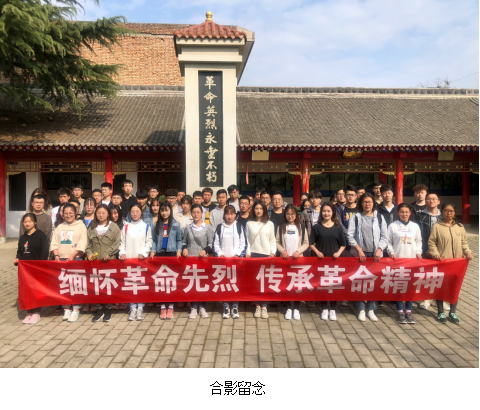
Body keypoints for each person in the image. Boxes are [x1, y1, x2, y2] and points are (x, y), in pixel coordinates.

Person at [428, 203, 474, 325]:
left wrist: (467, 253)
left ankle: (453, 312)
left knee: (455, 288)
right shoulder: (437, 226)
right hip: (443, 263)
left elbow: (464, 243)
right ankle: (440, 312)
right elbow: (431, 242)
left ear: (455, 213)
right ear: (442, 212)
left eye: (451, 211)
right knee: (441, 288)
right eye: (446, 211)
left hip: (457, 263)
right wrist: (435, 253)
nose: (449, 213)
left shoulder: (459, 227)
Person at [347, 193, 388, 322]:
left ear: (373, 203)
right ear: (361, 203)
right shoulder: (356, 218)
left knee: (373, 282)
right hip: (360, 255)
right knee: (359, 282)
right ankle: (360, 309)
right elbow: (350, 236)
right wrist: (359, 250)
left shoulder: (379, 218)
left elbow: (384, 237)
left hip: (375, 255)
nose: (367, 204)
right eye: (365, 202)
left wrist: (379, 249)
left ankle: (371, 309)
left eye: (369, 202)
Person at [50, 203, 88, 323]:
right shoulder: (60, 227)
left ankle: (76, 309)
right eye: (65, 213)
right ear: (62, 214)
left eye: (70, 213)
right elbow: (54, 242)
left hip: (75, 259)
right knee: (64, 285)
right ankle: (66, 308)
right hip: (61, 260)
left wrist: (73, 256)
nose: (68, 215)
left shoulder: (81, 226)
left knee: (76, 285)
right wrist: (56, 255)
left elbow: (83, 242)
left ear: (76, 213)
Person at [310, 202, 347, 322]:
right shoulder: (316, 227)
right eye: (324, 211)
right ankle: (324, 308)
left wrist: (338, 253)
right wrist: (317, 252)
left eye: (329, 211)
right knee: (323, 285)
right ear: (321, 213)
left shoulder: (338, 227)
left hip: (334, 261)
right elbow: (311, 243)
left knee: (333, 286)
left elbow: (343, 244)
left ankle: (333, 309)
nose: (326, 213)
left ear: (333, 213)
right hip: (321, 261)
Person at [387, 204, 423, 325]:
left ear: (410, 213)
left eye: (407, 212)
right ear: (397, 213)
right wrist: (391, 252)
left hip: (412, 260)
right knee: (399, 285)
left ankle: (408, 310)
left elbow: (419, 241)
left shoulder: (415, 226)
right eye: (402, 212)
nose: (404, 214)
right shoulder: (392, 226)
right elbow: (388, 242)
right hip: (398, 260)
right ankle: (400, 310)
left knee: (410, 286)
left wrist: (418, 252)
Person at [85, 205, 121, 323]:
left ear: (108, 214)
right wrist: (89, 253)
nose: (101, 215)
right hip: (95, 262)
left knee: (108, 286)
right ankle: (99, 310)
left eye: (103, 213)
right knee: (96, 286)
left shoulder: (113, 227)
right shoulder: (92, 227)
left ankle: (109, 309)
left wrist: (109, 253)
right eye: (98, 213)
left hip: (109, 261)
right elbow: (88, 244)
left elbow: (117, 243)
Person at [119, 204, 153, 322]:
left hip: (141, 261)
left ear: (141, 212)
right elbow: (122, 243)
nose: (135, 214)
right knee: (131, 285)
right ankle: (132, 307)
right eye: (132, 211)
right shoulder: (126, 227)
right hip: (129, 260)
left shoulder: (146, 227)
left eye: (137, 211)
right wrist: (122, 253)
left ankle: (140, 307)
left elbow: (149, 242)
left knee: (141, 284)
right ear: (129, 213)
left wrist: (144, 253)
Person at [213, 205, 247, 320]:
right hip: (223, 262)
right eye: (227, 214)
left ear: (235, 215)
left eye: (232, 214)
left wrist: (238, 255)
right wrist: (220, 254)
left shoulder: (239, 226)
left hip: (236, 262)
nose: (229, 216)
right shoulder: (219, 227)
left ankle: (235, 306)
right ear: (224, 215)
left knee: (235, 284)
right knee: (224, 284)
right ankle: (226, 307)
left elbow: (243, 243)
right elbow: (215, 243)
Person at [15, 213, 50, 324]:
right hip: (25, 270)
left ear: (35, 222)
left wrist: (40, 266)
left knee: (36, 290)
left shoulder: (41, 236)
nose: (27, 224)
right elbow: (19, 252)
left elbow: (44, 252)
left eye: (30, 221)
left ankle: (36, 312)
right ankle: (29, 312)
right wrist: (17, 259)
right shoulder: (23, 237)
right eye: (25, 222)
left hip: (37, 268)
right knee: (27, 291)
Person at [276, 204, 309, 321]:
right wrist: (282, 251)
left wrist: (298, 251)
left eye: (292, 214)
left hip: (297, 260)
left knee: (297, 284)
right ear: (285, 215)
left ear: (296, 215)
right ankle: (288, 307)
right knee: (286, 284)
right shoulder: (281, 227)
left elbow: (306, 243)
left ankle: (296, 308)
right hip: (285, 260)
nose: (290, 216)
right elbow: (276, 242)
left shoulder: (301, 227)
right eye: (288, 214)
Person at [150, 202, 183, 320]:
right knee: (161, 281)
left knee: (170, 281)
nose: (164, 213)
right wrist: (153, 250)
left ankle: (171, 306)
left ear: (170, 211)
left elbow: (179, 240)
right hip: (160, 254)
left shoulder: (176, 224)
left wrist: (179, 251)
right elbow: (154, 240)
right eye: (162, 210)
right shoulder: (156, 224)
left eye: (166, 210)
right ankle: (163, 306)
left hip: (171, 254)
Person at [182, 204, 215, 320]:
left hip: (203, 260)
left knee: (202, 284)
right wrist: (184, 248)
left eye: (198, 212)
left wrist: (205, 250)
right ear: (191, 214)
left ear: (202, 214)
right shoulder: (188, 227)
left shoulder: (207, 227)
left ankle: (202, 306)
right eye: (194, 212)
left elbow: (211, 243)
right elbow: (184, 242)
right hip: (191, 259)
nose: (196, 214)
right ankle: (193, 307)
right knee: (192, 284)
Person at [246, 201, 276, 320]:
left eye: (261, 208)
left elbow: (272, 240)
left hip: (266, 255)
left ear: (264, 210)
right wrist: (248, 253)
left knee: (265, 282)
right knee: (256, 281)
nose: (258, 211)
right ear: (253, 210)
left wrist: (273, 252)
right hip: (253, 254)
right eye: (256, 208)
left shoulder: (270, 224)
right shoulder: (249, 223)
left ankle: (264, 306)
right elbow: (247, 240)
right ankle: (257, 305)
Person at [416, 193, 443, 310]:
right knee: (426, 275)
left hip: (442, 251)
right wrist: (425, 249)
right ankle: (426, 299)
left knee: (441, 275)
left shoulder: (443, 216)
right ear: (426, 201)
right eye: (429, 199)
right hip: (426, 250)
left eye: (434, 199)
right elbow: (419, 235)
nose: (431, 201)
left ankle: (440, 299)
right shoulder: (420, 216)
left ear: (438, 201)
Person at [300, 190, 323, 260]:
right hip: (309, 241)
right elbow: (301, 228)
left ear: (320, 200)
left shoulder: (324, 211)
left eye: (316, 198)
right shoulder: (305, 213)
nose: (314, 200)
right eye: (312, 198)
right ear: (309, 200)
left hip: (322, 241)